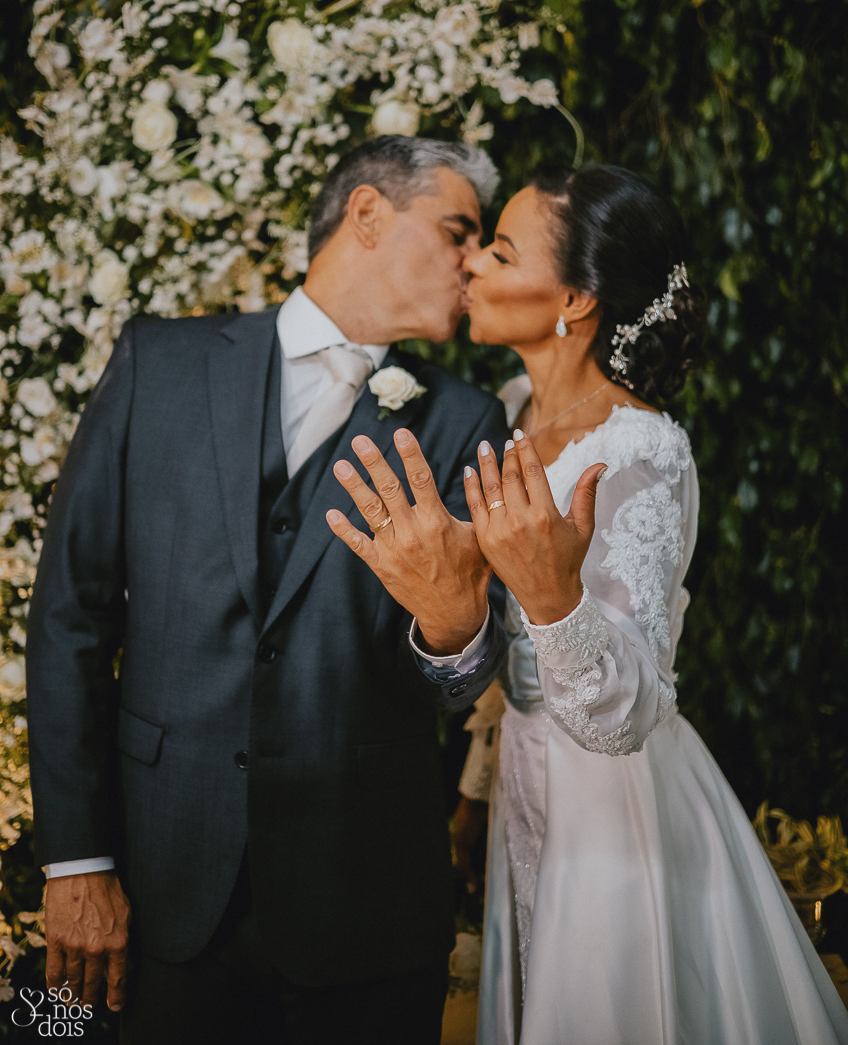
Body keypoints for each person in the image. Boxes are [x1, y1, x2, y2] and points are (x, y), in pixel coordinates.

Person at [329, 164, 848, 1045]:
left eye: (500, 252)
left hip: (611, 807)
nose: (472, 265)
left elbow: (628, 713)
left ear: (573, 301)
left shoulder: (640, 451)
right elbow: (501, 653)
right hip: (523, 779)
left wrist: (552, 597)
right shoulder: (507, 411)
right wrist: (476, 787)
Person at [25, 135, 511, 1045]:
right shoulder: (158, 363)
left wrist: (455, 629)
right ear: (367, 214)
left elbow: (454, 683)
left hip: (363, 908)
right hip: (160, 888)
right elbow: (69, 617)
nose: (476, 260)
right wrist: (77, 862)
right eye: (459, 230)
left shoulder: (463, 420)